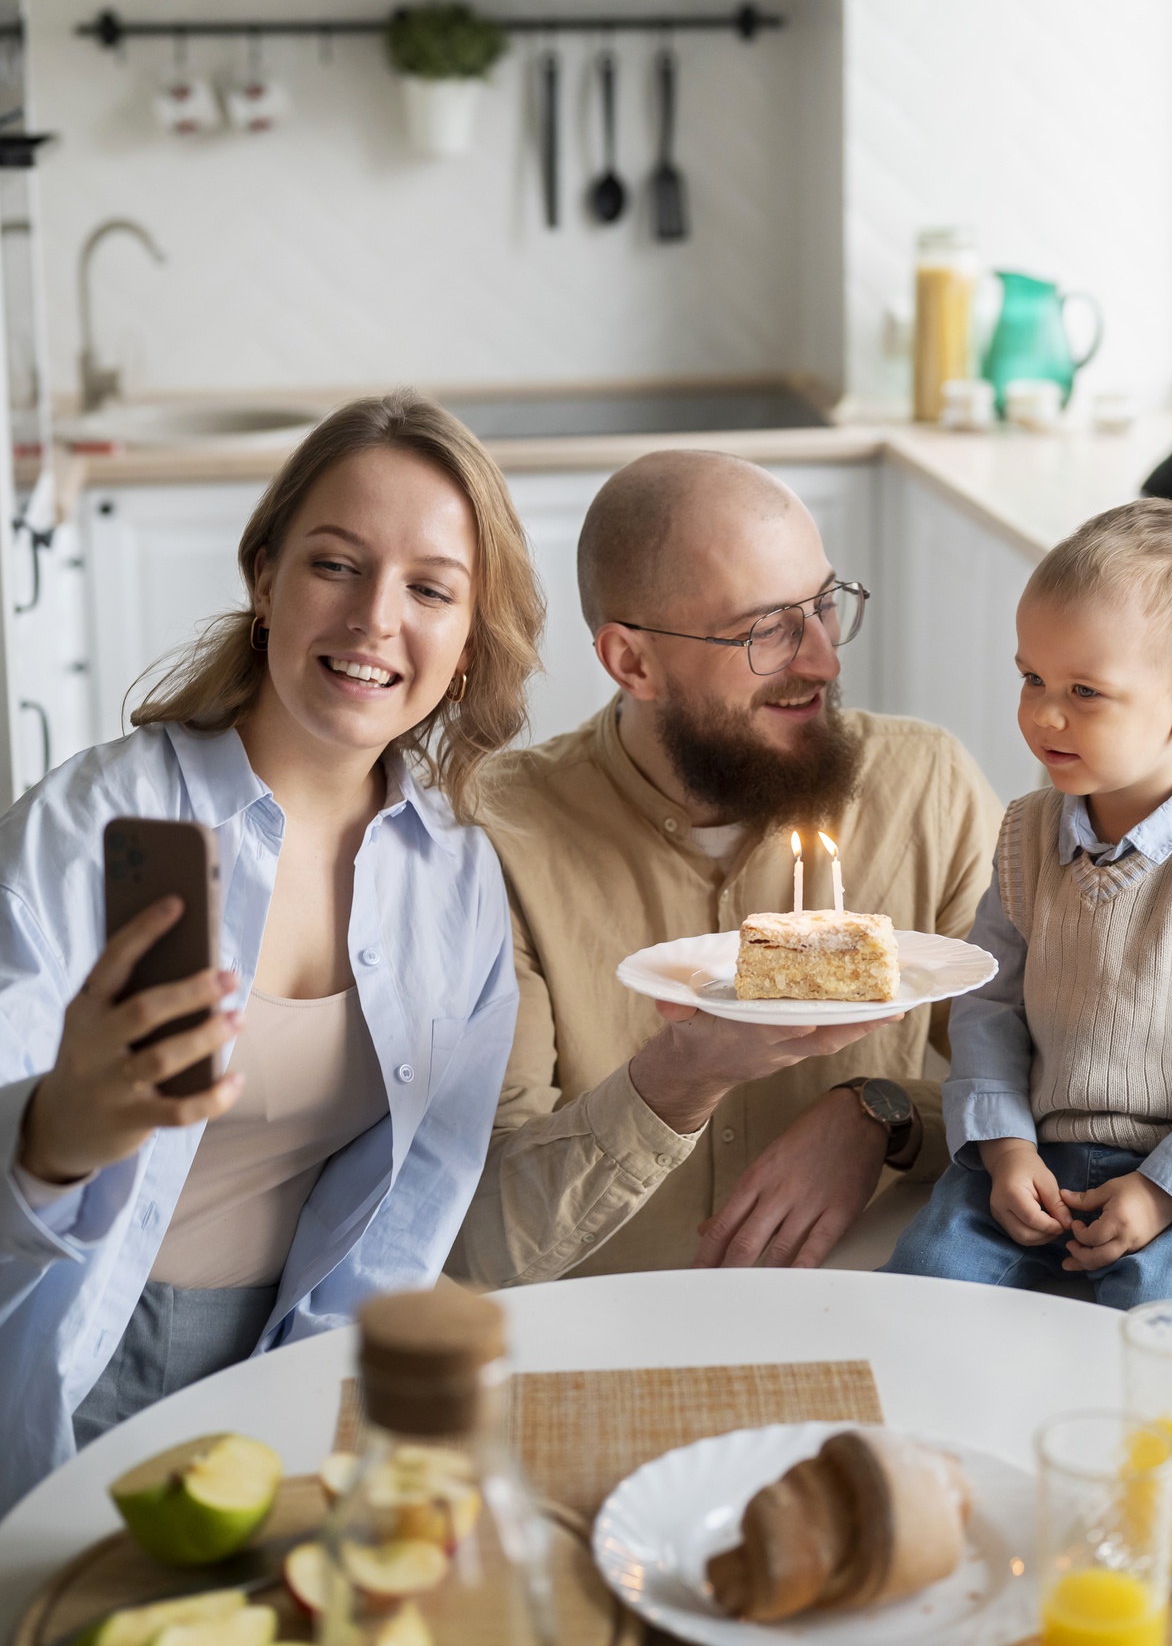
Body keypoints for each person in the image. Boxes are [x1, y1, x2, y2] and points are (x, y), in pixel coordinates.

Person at [0, 391, 543, 1512]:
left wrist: (320, 1418)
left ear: (469, 632)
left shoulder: (456, 881)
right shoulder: (90, 826)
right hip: (60, 1355)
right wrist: (55, 1134)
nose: (374, 618)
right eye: (335, 564)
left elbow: (414, 1204)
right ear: (265, 577)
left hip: (289, 1373)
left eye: (430, 588)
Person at [448, 450, 1001, 1288]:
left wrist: (879, 1115)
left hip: (868, 1312)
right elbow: (480, 1242)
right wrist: (682, 1076)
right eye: (768, 630)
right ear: (631, 662)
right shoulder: (497, 837)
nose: (822, 660)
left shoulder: (927, 788)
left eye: (823, 607)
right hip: (599, 1342)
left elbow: (1052, 1098)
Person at [889, 499, 1172, 1320]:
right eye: (1031, 678)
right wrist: (1007, 1149)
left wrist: (1162, 1192)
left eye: (1084, 690)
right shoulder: (1024, 834)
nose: (1043, 714)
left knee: (1166, 1324)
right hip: (1034, 1162)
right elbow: (988, 1006)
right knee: (924, 1287)